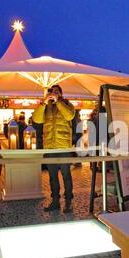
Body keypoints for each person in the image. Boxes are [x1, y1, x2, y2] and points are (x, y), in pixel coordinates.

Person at [33, 85, 76, 213]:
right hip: (50, 147)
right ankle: (55, 201)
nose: (54, 93)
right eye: (52, 92)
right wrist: (43, 103)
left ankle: (68, 202)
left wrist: (58, 102)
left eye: (57, 92)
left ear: (61, 94)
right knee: (52, 176)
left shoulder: (68, 104)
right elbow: (37, 119)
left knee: (66, 175)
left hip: (63, 147)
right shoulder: (45, 107)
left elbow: (69, 116)